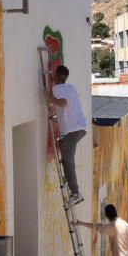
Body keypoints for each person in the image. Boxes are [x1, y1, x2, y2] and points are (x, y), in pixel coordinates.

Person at [45, 65, 87, 207]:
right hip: (79, 128)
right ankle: (69, 179)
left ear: (56, 76)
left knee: (68, 161)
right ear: (66, 76)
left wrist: (49, 97)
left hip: (71, 131)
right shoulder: (71, 88)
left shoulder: (57, 89)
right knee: (67, 157)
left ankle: (75, 193)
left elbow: (63, 103)